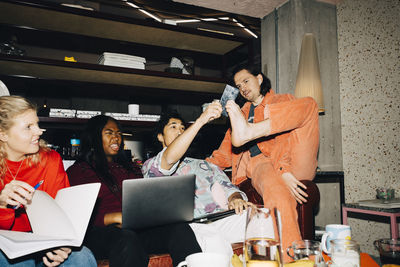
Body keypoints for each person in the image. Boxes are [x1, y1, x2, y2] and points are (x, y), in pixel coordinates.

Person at [206, 64, 319, 262]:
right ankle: (291, 260)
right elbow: (222, 156)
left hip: (293, 158)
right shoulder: (239, 114)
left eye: (246, 81)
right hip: (261, 163)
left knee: (309, 104)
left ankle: (251, 131)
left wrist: (284, 168)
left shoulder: (283, 101)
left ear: (259, 79)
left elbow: (287, 138)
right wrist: (192, 165)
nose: (242, 88)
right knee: (277, 190)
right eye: (238, 86)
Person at [66, 115, 201, 267]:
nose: (116, 138)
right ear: (94, 137)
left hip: (136, 229)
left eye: (118, 134)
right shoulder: (78, 171)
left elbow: (144, 201)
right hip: (102, 233)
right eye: (109, 133)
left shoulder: (131, 168)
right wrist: (115, 217)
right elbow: (76, 217)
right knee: (126, 238)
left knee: (179, 229)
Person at [0, 95, 96, 267]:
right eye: (28, 127)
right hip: (3, 242)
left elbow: (61, 215)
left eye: (36, 124)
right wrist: (1, 206)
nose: (39, 131)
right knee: (20, 261)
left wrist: (62, 244)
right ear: (3, 134)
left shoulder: (50, 159)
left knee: (81, 257)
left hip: (41, 241)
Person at [142, 107, 250, 258]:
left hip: (219, 219)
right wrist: (201, 120)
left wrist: (236, 198)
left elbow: (229, 188)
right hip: (189, 227)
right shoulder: (152, 165)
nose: (180, 131)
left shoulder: (206, 165)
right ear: (160, 136)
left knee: (260, 218)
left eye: (182, 128)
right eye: (173, 127)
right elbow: (169, 159)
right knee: (213, 239)